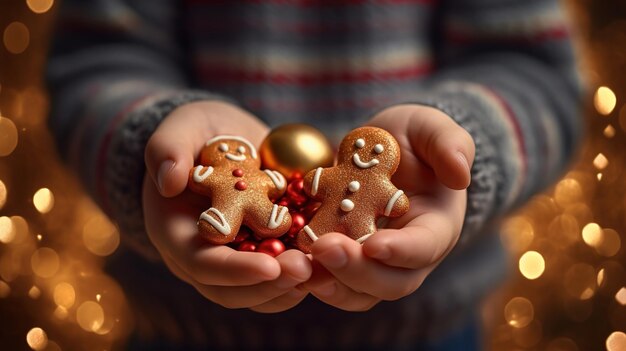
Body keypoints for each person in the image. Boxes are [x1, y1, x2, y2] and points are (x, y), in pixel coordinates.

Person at [47, 0, 583, 349]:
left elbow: (538, 77)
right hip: (179, 330)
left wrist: (458, 152)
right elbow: (96, 63)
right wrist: (152, 144)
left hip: (431, 332)